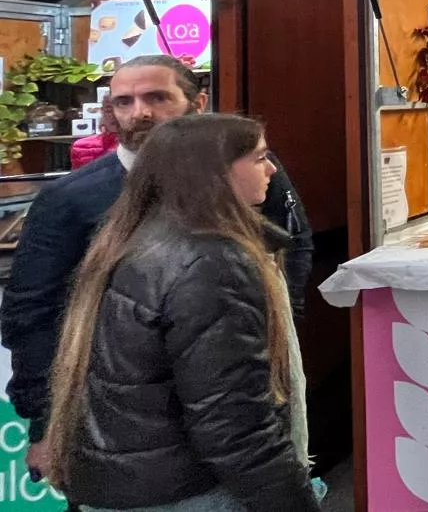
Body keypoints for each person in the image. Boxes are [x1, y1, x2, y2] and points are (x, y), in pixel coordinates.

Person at [1, 54, 314, 478]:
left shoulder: (251, 171)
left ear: (198, 104)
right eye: (123, 102)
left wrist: (270, 332)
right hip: (124, 424)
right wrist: (45, 421)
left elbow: (289, 248)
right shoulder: (71, 200)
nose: (140, 113)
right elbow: (31, 314)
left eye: (157, 97)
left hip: (237, 391)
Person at [42, 114, 319, 512]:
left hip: (128, 482)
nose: (272, 169)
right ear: (215, 173)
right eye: (259, 158)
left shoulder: (136, 240)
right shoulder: (211, 263)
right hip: (189, 490)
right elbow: (234, 420)